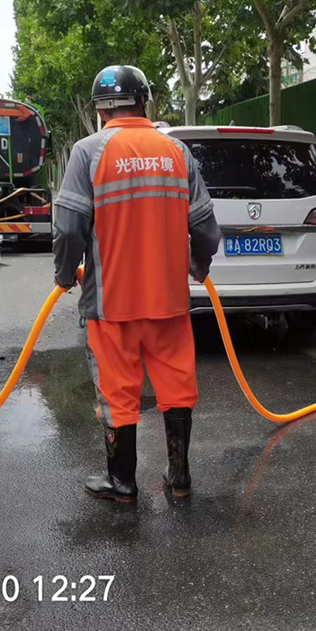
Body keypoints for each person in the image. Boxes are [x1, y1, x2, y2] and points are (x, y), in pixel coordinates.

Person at [53, 65, 221, 504]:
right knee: (177, 387)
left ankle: (122, 482)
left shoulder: (88, 152)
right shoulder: (176, 152)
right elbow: (206, 229)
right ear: (144, 100)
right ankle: (179, 479)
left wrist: (64, 273)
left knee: (117, 391)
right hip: (169, 303)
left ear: (100, 110)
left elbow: (69, 228)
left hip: (112, 304)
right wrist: (197, 266)